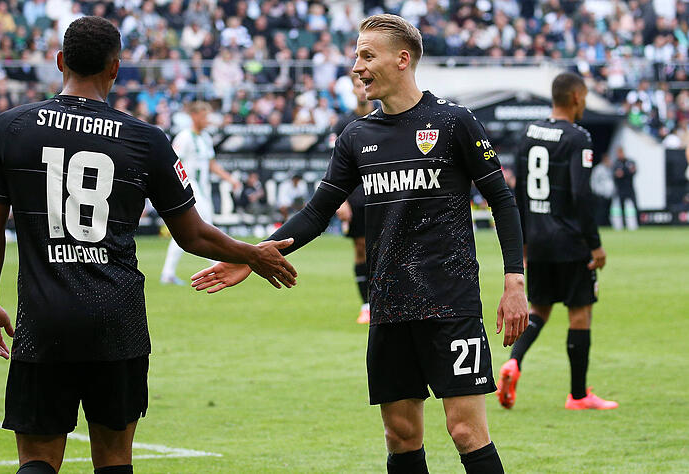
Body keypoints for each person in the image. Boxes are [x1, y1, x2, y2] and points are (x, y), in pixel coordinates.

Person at [192, 14, 528, 473]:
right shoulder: (357, 136)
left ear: (402, 59)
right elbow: (316, 212)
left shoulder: (454, 122)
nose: (356, 66)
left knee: (466, 431)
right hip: (388, 304)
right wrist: (252, 256)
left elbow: (502, 202)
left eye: (367, 55)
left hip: (450, 303)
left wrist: (514, 282)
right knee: (401, 435)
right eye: (356, 56)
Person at [0, 17, 296, 474]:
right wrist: (252, 254)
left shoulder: (11, 128)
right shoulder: (146, 140)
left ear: (60, 61)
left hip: (44, 319)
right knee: (113, 459)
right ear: (116, 69)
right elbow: (193, 235)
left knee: (38, 459)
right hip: (117, 320)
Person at [501, 72, 617, 411]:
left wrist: (522, 241)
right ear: (578, 97)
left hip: (536, 240)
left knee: (539, 309)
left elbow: (518, 191)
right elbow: (581, 194)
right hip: (569, 241)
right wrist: (594, 244)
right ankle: (578, 396)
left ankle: (513, 362)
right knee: (580, 314)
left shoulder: (529, 133)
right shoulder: (578, 137)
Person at [159, 101, 242, 285]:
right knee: (207, 225)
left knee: (184, 233)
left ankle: (167, 274)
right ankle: (220, 265)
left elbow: (212, 165)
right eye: (204, 116)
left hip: (204, 189)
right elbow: (173, 162)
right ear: (194, 116)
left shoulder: (205, 137)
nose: (207, 121)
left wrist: (230, 179)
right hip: (190, 187)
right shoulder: (184, 137)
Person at [333, 73, 375, 324]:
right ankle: (366, 304)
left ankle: (385, 301)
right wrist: (341, 200)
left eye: (365, 84)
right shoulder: (344, 124)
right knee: (361, 248)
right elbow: (336, 166)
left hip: (381, 191)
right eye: (358, 85)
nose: (362, 90)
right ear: (352, 89)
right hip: (356, 197)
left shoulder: (384, 116)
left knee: (384, 249)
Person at [610, 146, 638, 230]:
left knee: (635, 206)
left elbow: (633, 171)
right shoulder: (616, 163)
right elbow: (616, 174)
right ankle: (622, 225)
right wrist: (626, 172)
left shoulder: (629, 161)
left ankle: (637, 224)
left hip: (630, 188)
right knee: (621, 207)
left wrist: (624, 172)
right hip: (620, 189)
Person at [590, 154, 615, 226]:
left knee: (607, 211)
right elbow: (593, 181)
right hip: (600, 194)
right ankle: (599, 224)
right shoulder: (598, 169)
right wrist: (596, 191)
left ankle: (606, 224)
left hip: (609, 194)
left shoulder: (610, 169)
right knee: (600, 211)